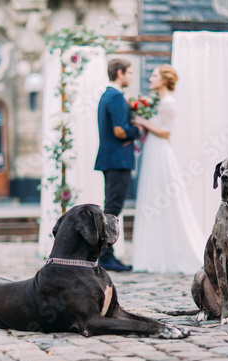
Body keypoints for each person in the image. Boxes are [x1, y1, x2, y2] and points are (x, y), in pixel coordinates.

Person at [132, 64, 205, 273]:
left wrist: (144, 122)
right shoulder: (156, 101)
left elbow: (166, 132)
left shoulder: (169, 102)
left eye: (154, 76)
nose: (150, 79)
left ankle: (169, 252)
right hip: (152, 150)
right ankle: (151, 252)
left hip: (161, 150)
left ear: (164, 80)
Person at [95, 58, 141, 272]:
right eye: (129, 72)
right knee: (113, 208)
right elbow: (120, 131)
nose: (131, 77)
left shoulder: (109, 95)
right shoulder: (115, 97)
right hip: (117, 160)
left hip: (112, 158)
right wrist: (137, 130)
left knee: (112, 206)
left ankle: (105, 254)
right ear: (120, 73)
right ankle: (105, 255)